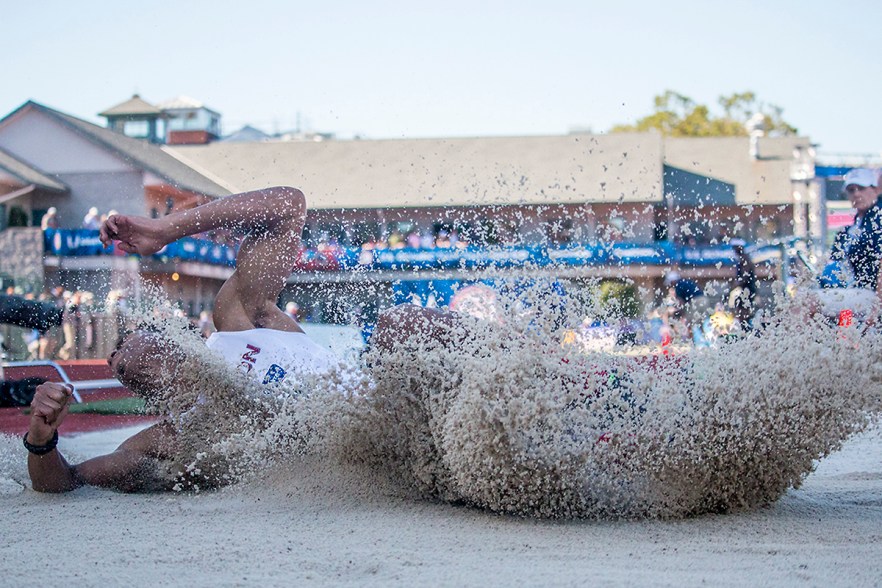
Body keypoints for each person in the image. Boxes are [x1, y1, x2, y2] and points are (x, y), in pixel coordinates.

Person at [24, 187, 345, 492]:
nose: (111, 358)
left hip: (371, 411)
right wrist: (41, 440)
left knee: (395, 325)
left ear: (166, 339)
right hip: (344, 461)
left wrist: (167, 230)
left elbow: (289, 205)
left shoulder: (237, 322)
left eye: (123, 342)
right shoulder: (173, 439)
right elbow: (65, 481)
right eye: (117, 368)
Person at [828, 168, 882, 303]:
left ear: (876, 190)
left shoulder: (878, 221)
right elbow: (834, 266)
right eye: (851, 190)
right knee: (809, 308)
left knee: (806, 301)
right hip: (851, 296)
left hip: (871, 296)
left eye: (862, 188)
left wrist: (876, 308)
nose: (856, 194)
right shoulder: (846, 231)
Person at [729, 238, 758, 329]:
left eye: (735, 248)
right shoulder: (742, 259)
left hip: (748, 290)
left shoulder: (745, 259)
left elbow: (744, 277)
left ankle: (746, 329)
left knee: (743, 311)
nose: (734, 250)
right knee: (741, 311)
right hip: (745, 290)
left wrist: (734, 286)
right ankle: (745, 328)